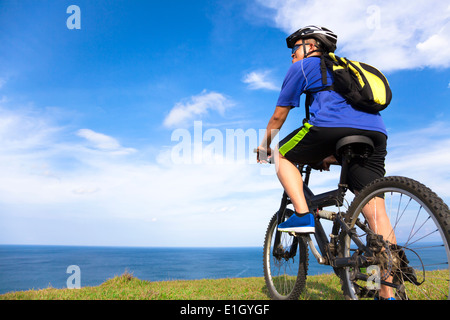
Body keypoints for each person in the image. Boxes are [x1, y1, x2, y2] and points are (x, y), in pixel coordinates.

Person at [256, 25, 396, 300]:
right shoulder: (348, 69)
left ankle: (302, 214)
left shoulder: (304, 67)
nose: (292, 55)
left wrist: (264, 147)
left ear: (310, 46)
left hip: (331, 129)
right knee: (376, 213)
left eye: (295, 48)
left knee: (282, 155)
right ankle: (387, 293)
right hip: (375, 134)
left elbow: (278, 117)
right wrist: (327, 155)